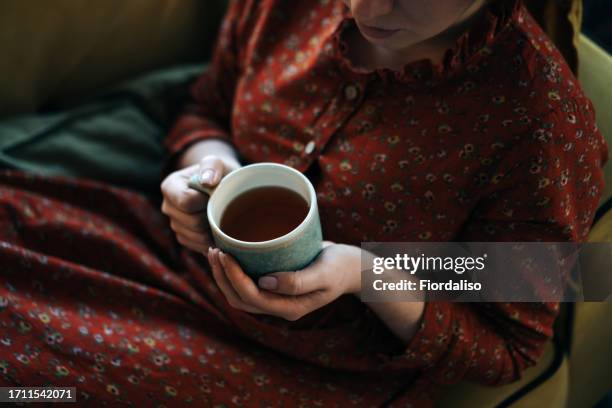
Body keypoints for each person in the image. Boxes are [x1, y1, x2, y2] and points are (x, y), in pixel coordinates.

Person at [0, 0, 606, 406]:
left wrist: (368, 273)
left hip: (309, 369)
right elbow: (205, 106)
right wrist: (204, 168)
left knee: (33, 388)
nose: (367, 8)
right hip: (158, 258)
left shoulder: (539, 124)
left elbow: (511, 341)